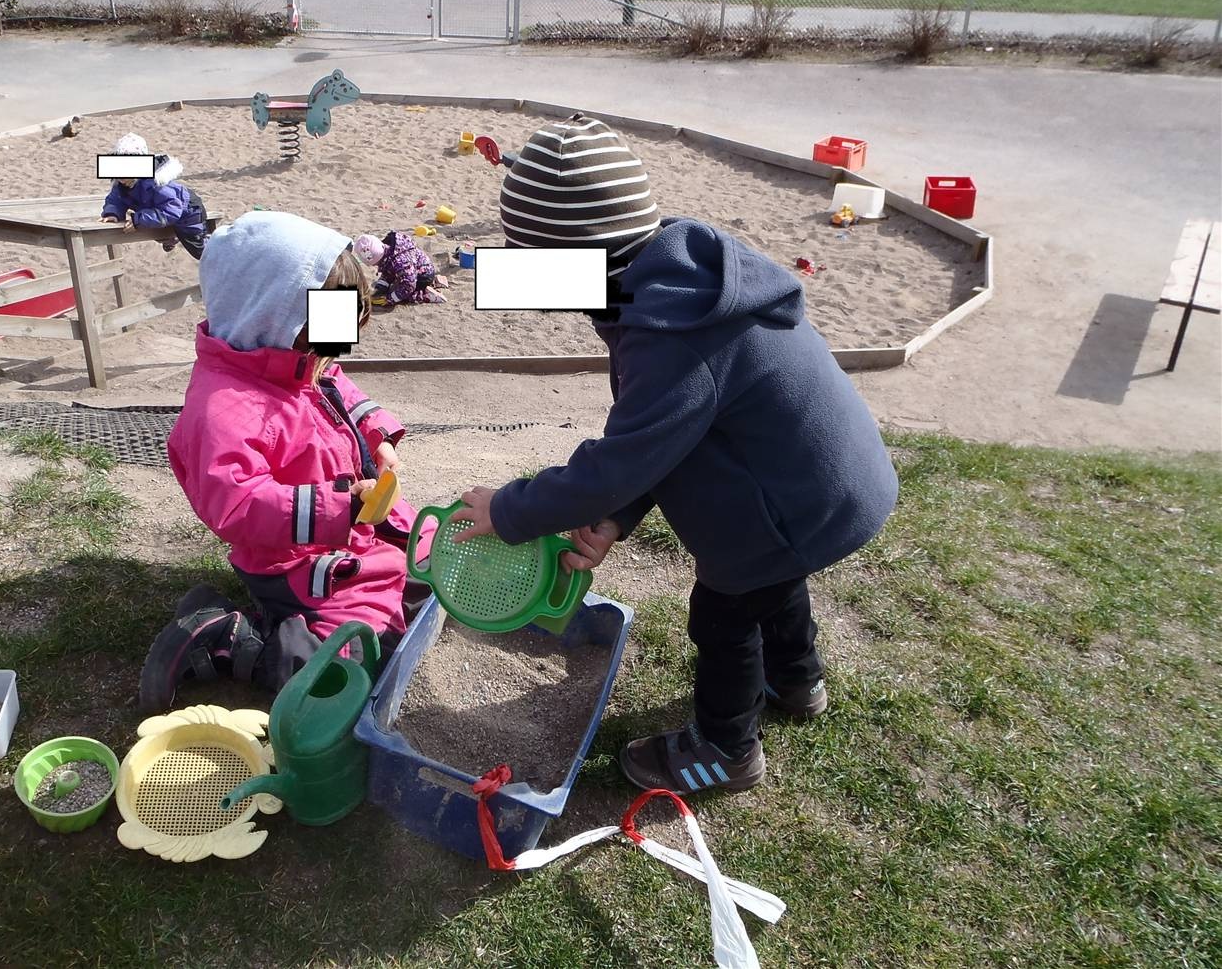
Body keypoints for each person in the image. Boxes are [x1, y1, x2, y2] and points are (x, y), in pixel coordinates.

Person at [453, 113, 899, 795]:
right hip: (825, 485)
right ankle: (798, 679)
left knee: (726, 610)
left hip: (796, 501)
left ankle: (727, 748)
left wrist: (514, 509)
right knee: (774, 580)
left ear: (575, 258)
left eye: (531, 259)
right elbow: (665, 433)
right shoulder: (671, 276)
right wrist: (620, 513)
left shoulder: (670, 335)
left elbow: (623, 457)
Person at [140, 211, 434, 713]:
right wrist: (336, 508)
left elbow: (340, 386)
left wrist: (377, 433)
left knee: (433, 565)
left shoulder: (299, 359)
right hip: (298, 559)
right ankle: (231, 638)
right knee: (350, 661)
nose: (337, 346)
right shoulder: (226, 408)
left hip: (359, 526)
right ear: (270, 313)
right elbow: (234, 504)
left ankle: (378, 589)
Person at [101, 133, 211, 260]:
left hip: (188, 211)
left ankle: (219, 246)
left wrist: (138, 219)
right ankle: (170, 237)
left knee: (199, 250)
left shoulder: (156, 184)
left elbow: (172, 210)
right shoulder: (121, 185)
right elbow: (115, 200)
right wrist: (112, 213)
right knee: (154, 228)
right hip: (160, 210)